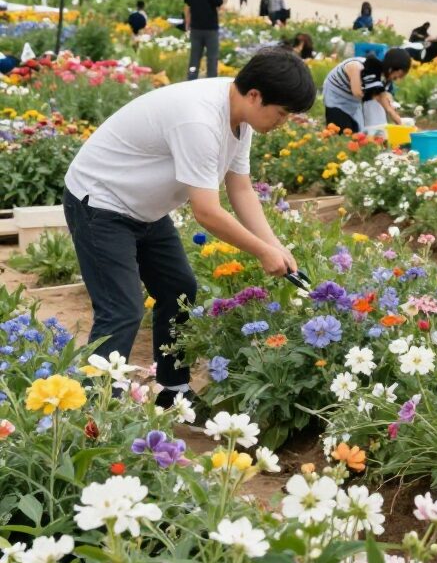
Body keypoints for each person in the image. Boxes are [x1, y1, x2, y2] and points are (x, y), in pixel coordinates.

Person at [63, 49, 316, 408]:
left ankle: (173, 390)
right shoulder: (200, 119)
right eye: (282, 113)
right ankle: (95, 409)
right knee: (122, 309)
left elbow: (241, 189)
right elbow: (207, 213)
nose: (283, 122)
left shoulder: (239, 117)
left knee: (178, 289)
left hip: (144, 209)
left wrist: (275, 245)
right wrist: (262, 252)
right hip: (100, 202)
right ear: (255, 95)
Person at [323, 47, 411, 133]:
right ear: (390, 69)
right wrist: (384, 104)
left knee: (358, 133)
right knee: (340, 131)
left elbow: (381, 95)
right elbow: (357, 93)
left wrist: (394, 114)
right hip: (337, 95)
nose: (398, 79)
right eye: (397, 76)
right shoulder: (357, 67)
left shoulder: (383, 76)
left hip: (353, 100)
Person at [183, 0, 224, 80]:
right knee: (212, 58)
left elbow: (188, 8)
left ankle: (191, 79)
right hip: (210, 29)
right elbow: (219, 5)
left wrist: (187, 23)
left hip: (195, 28)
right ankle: (211, 80)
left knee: (194, 57)